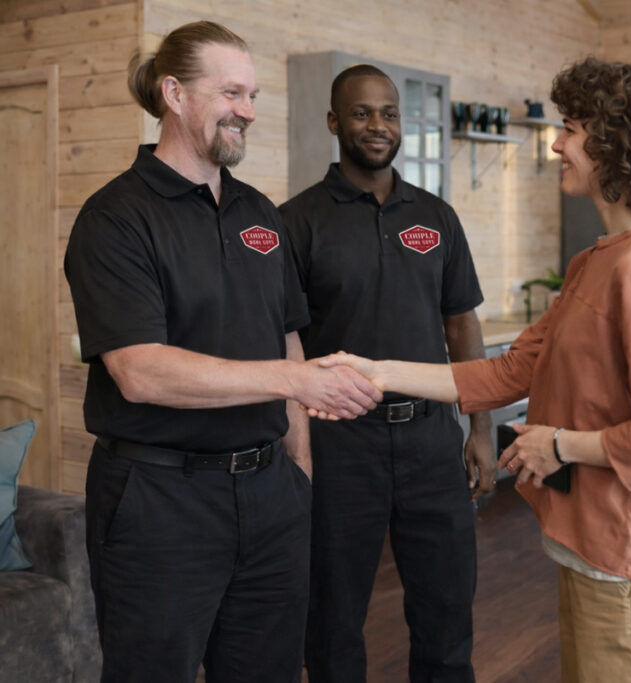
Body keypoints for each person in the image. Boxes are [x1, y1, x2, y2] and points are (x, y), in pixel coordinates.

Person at [321, 56, 631, 682]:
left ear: (616, 145)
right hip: (591, 546)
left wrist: (560, 444)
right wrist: (380, 372)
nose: (557, 143)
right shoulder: (595, 261)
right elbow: (507, 373)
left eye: (572, 129)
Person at [63, 22, 381, 683]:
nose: (248, 110)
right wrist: (296, 379)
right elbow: (139, 371)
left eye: (255, 94)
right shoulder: (116, 217)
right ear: (173, 92)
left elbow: (287, 335)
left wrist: (300, 477)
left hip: (270, 495)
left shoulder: (260, 214)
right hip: (160, 499)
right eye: (231, 91)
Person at [278, 64, 495, 682]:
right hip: (341, 444)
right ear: (333, 122)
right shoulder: (296, 221)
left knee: (448, 608)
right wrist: (296, 449)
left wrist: (480, 430)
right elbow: (284, 348)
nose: (378, 126)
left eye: (389, 113)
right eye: (362, 113)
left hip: (432, 439)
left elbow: (462, 327)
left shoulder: (436, 216)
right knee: (333, 615)